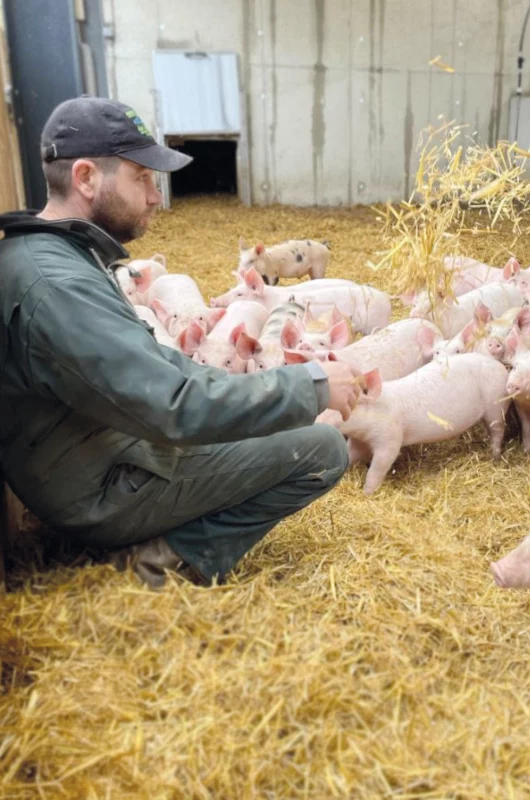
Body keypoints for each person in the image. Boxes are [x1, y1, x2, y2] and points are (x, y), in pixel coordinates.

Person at [0, 97, 362, 587]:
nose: (155, 196)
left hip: (104, 449)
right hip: (104, 486)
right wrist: (312, 386)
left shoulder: (54, 254)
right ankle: (158, 562)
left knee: (259, 423)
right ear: (86, 178)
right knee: (322, 450)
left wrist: (276, 386)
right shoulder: (56, 284)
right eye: (141, 177)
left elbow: (158, 374)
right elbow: (172, 406)